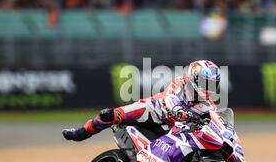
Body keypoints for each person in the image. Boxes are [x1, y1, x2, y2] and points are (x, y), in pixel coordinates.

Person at [62, 60, 221, 142]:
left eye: (213, 84)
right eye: (205, 81)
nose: (209, 87)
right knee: (110, 115)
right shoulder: (181, 82)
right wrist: (185, 114)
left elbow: (217, 124)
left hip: (174, 130)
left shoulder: (209, 105)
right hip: (153, 111)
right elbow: (169, 100)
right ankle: (83, 132)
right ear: (194, 77)